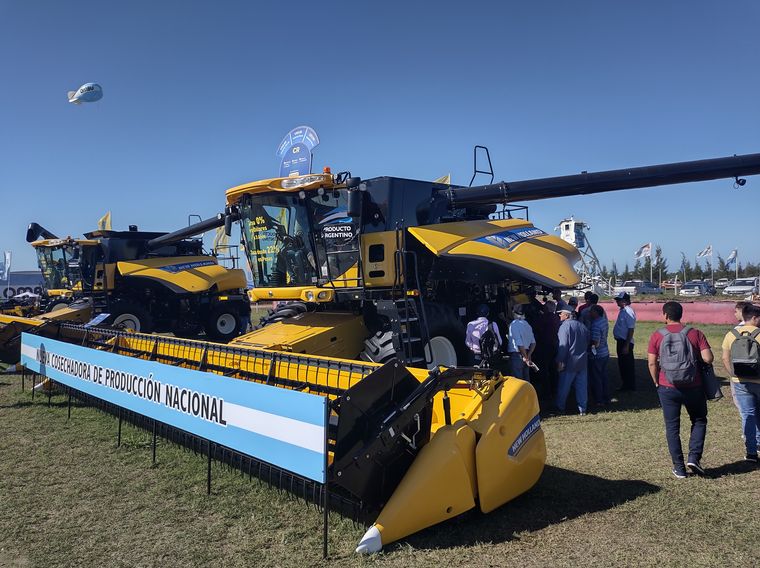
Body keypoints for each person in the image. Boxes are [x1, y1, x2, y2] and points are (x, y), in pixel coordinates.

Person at [647, 301, 713, 478]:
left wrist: (656, 382)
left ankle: (679, 467)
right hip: (694, 385)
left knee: (672, 427)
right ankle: (694, 457)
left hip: (667, 386)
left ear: (665, 316)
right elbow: (708, 358)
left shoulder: (657, 335)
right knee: (699, 420)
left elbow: (652, 362)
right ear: (681, 314)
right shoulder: (695, 333)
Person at [721, 303, 760, 463]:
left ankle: (751, 452)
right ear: (755, 318)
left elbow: (724, 358)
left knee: (747, 415)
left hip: (740, 381)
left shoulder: (731, 334)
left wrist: (733, 374)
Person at [555, 306, 590, 415]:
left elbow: (563, 346)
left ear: (567, 315)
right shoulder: (582, 326)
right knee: (582, 387)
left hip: (569, 362)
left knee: (564, 387)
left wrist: (559, 361)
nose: (559, 315)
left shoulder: (565, 327)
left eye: (561, 313)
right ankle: (582, 409)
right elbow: (588, 340)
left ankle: (560, 407)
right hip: (582, 361)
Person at [613, 292, 637, 391]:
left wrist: (626, 345)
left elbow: (631, 329)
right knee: (622, 364)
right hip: (621, 341)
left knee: (627, 365)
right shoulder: (623, 311)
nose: (617, 301)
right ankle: (626, 384)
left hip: (625, 341)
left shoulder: (629, 311)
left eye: (619, 300)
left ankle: (629, 385)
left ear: (624, 301)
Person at [588, 304, 611, 407]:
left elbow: (595, 342)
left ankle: (599, 399)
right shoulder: (604, 321)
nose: (589, 313)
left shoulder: (595, 325)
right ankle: (606, 397)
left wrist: (589, 346)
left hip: (597, 355)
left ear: (596, 313)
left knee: (596, 378)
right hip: (605, 352)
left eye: (591, 311)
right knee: (604, 376)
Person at [507, 304, 535, 381]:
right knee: (526, 380)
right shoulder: (527, 324)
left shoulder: (514, 324)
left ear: (514, 313)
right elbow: (533, 343)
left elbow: (519, 343)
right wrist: (528, 355)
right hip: (526, 353)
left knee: (518, 381)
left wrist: (525, 357)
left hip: (517, 355)